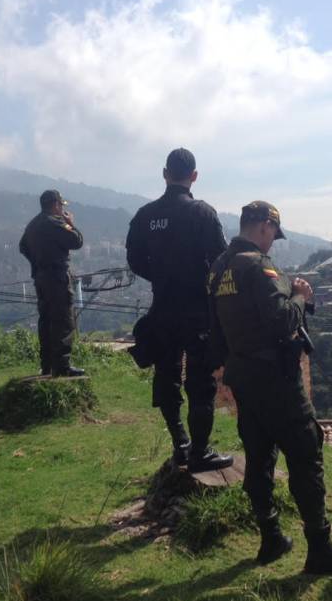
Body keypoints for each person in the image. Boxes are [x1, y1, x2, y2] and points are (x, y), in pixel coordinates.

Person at [208, 201, 332, 574]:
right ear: (263, 226)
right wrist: (300, 296)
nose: (273, 240)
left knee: (259, 457)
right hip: (276, 378)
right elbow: (280, 321)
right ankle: (320, 548)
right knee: (306, 455)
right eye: (273, 233)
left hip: (243, 375)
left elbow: (218, 325)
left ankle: (271, 536)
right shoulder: (258, 265)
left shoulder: (219, 267)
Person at [126, 148, 232, 474]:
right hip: (198, 310)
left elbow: (134, 260)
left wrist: (160, 276)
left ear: (165, 173)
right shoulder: (203, 213)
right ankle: (200, 451)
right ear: (194, 176)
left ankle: (180, 444)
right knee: (201, 382)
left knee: (167, 375)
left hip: (163, 308)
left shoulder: (145, 215)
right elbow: (221, 261)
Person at [19, 189, 86, 377]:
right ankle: (62, 365)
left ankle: (47, 365)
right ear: (56, 204)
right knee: (63, 320)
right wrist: (71, 224)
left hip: (40, 277)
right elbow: (76, 241)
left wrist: (37, 261)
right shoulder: (56, 223)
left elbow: (22, 247)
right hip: (57, 277)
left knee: (46, 320)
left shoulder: (32, 225)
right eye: (60, 206)